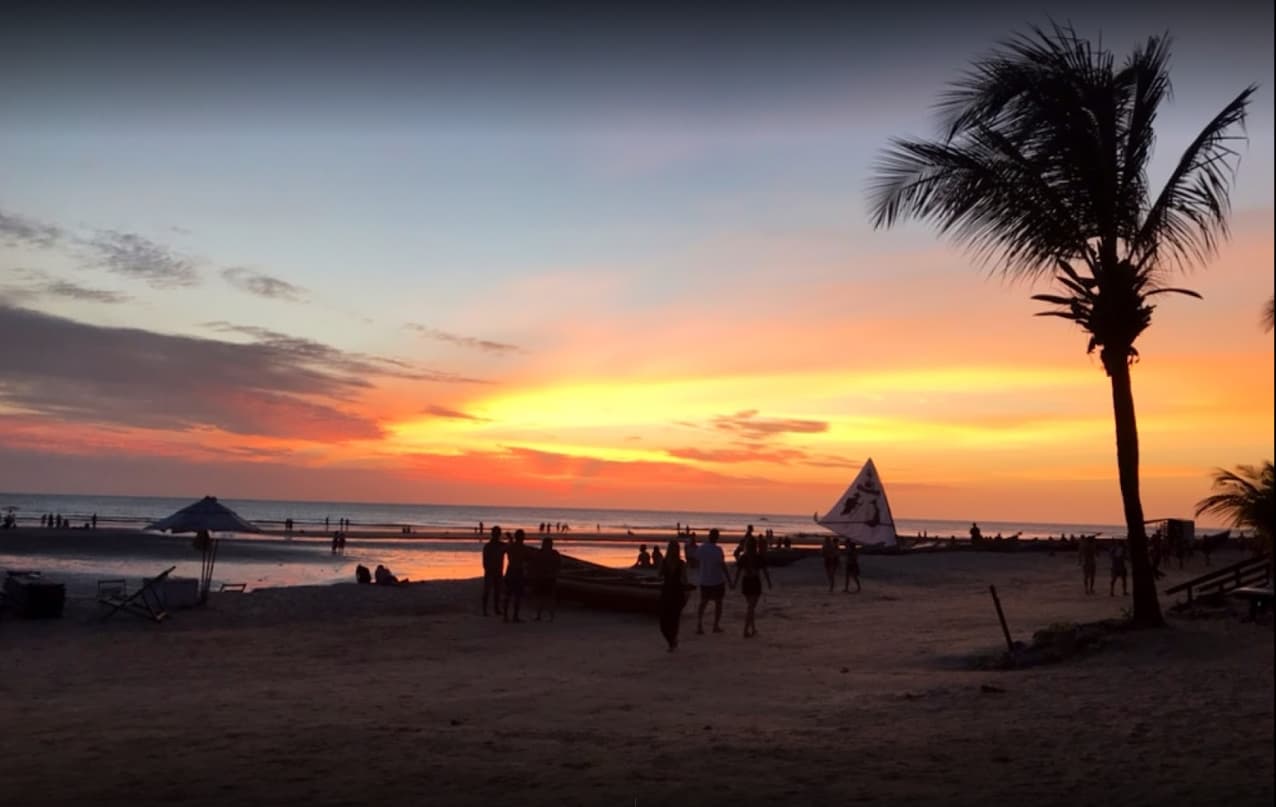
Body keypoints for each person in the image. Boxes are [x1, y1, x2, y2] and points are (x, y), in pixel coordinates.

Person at [732, 536, 772, 638]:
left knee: (751, 607)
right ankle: (745, 630)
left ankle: (753, 629)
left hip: (746, 582)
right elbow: (765, 571)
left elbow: (738, 572)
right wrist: (769, 582)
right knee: (751, 607)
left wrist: (735, 583)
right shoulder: (758, 557)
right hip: (754, 582)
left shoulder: (743, 557)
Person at [696, 528, 732, 634]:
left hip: (705, 580)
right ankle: (715, 626)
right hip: (716, 580)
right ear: (716, 537)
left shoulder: (701, 548)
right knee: (717, 603)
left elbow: (696, 560)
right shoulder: (717, 550)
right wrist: (729, 580)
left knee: (704, 603)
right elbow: (722, 566)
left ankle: (700, 625)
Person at [658, 540, 688, 651]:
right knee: (663, 622)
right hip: (667, 593)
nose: (674, 550)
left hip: (676, 593)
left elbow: (685, 580)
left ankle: (672, 643)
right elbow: (659, 574)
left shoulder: (681, 563)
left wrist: (686, 592)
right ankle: (672, 641)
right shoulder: (664, 562)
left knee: (674, 620)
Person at [529, 536, 562, 622]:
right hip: (545, 577)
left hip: (546, 577)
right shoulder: (553, 553)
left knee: (545, 597)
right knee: (544, 597)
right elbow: (558, 565)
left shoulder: (543, 553)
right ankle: (545, 616)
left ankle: (546, 616)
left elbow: (533, 564)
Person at [503, 529, 529, 622]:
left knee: (508, 594)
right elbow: (527, 559)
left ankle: (505, 616)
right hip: (518, 571)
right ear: (523, 537)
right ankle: (515, 616)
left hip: (510, 570)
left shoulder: (511, 547)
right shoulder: (524, 548)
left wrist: (510, 539)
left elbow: (509, 548)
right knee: (517, 595)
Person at [481, 526, 505, 616]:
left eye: (497, 533)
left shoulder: (502, 545)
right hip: (490, 570)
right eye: (495, 533)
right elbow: (484, 560)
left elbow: (512, 547)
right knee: (487, 591)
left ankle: (496, 609)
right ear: (492, 534)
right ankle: (485, 610)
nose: (496, 535)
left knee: (497, 591)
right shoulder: (488, 546)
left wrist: (510, 538)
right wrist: (487, 569)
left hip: (498, 571)